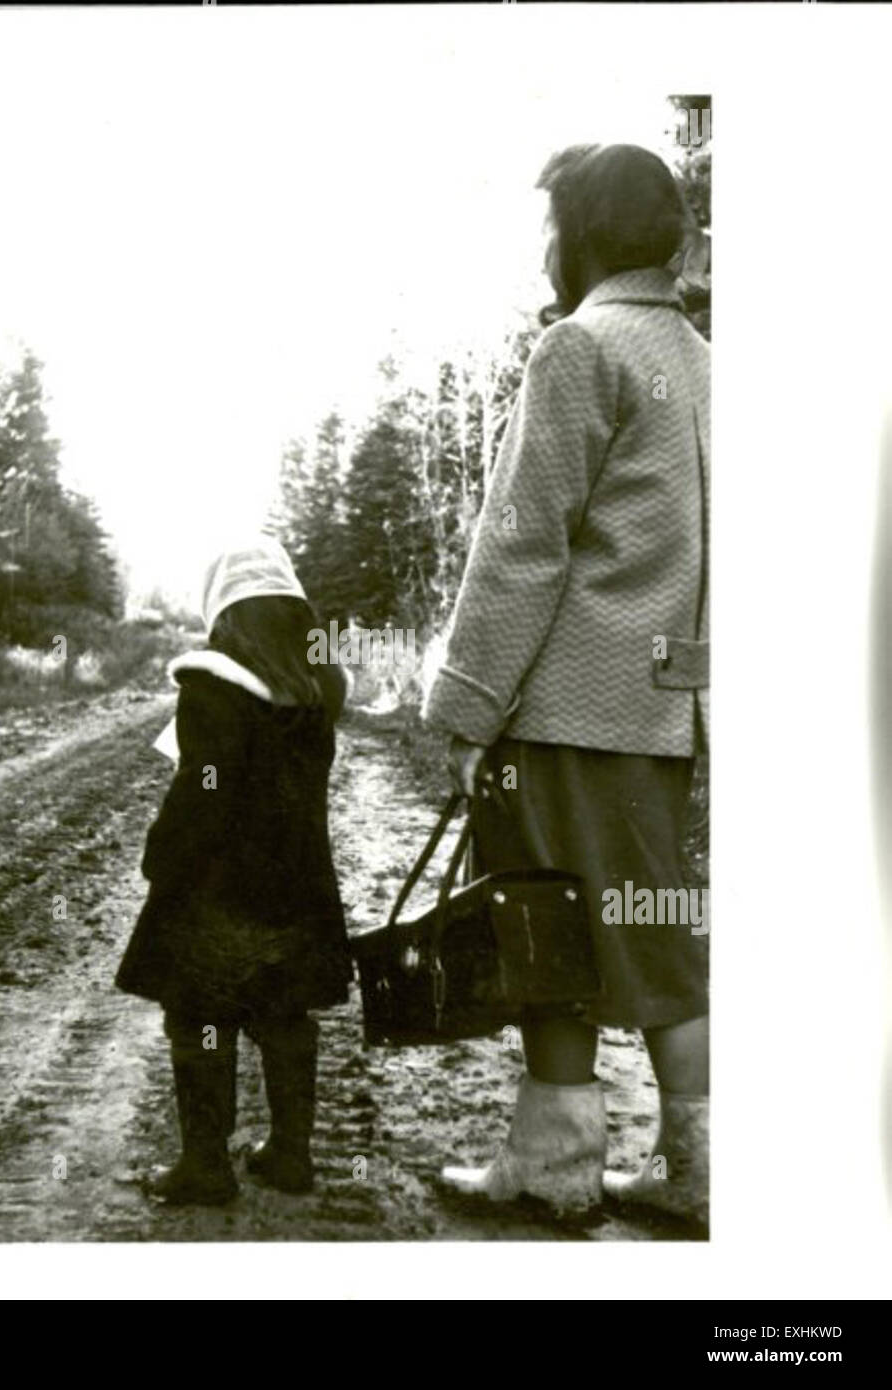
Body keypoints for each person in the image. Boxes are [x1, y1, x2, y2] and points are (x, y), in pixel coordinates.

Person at [423, 143, 711, 1226]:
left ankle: (553, 1171)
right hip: (666, 715)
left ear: (580, 236)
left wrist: (464, 704)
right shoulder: (704, 361)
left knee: (540, 933)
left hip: (562, 712)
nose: (545, 247)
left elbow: (520, 545)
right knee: (658, 941)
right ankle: (701, 1177)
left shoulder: (577, 349)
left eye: (551, 226)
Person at [114, 537, 352, 1205]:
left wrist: (163, 857)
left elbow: (201, 792)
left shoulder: (214, 688)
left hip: (217, 893)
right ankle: (289, 1155)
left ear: (223, 615)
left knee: (198, 1019)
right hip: (297, 889)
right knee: (284, 1016)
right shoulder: (313, 693)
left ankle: (205, 1167)